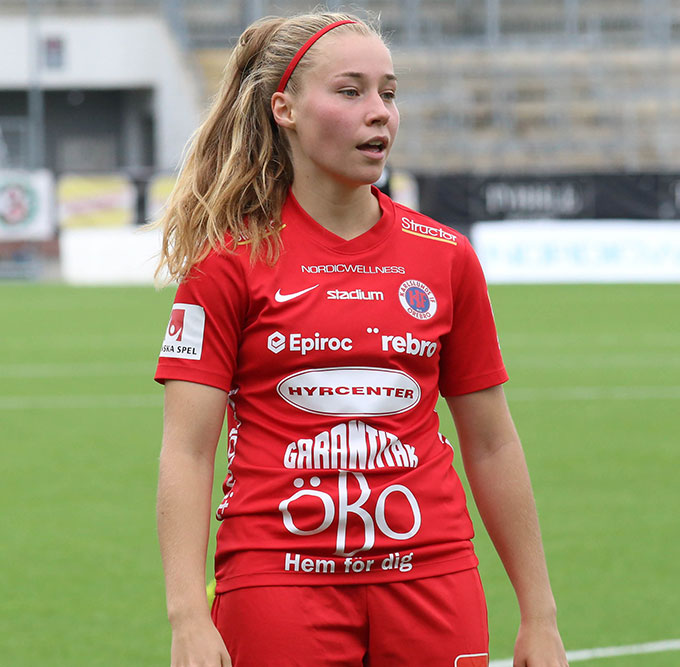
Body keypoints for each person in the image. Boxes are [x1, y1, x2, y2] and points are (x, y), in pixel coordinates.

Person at [152, 12, 567, 667]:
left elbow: (491, 442)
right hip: (277, 581)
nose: (380, 112)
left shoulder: (446, 257)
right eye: (351, 91)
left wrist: (539, 615)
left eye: (388, 93)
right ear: (285, 109)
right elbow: (187, 448)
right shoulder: (227, 262)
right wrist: (187, 615)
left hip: (433, 576)